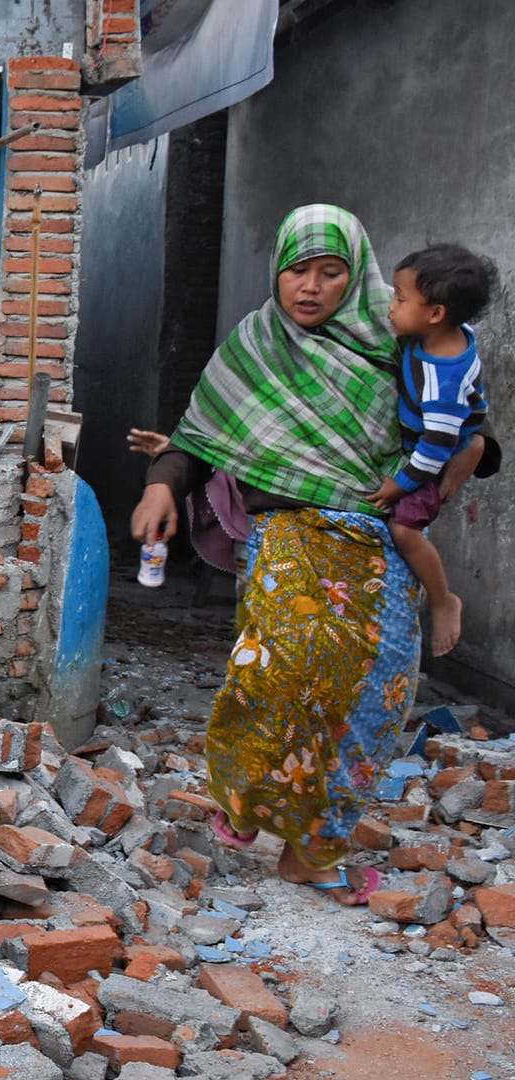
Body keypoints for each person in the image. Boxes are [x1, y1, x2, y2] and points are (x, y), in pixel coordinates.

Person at [128, 206, 499, 906]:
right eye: (298, 269)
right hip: (288, 529)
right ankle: (243, 802)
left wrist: (457, 464)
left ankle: (314, 849)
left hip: (378, 537)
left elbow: (465, 427)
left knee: (378, 697)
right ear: (278, 270)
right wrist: (159, 488)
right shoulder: (255, 345)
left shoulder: (402, 345)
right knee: (279, 666)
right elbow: (198, 435)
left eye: (331, 273)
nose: (310, 287)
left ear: (356, 275)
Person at [364, 244, 498, 656]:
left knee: (404, 529)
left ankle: (443, 600)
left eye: (400, 299)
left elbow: (436, 449)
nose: (390, 306)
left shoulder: (440, 381)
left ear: (436, 314)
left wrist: (400, 485)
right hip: (446, 433)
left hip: (433, 454)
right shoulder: (446, 334)